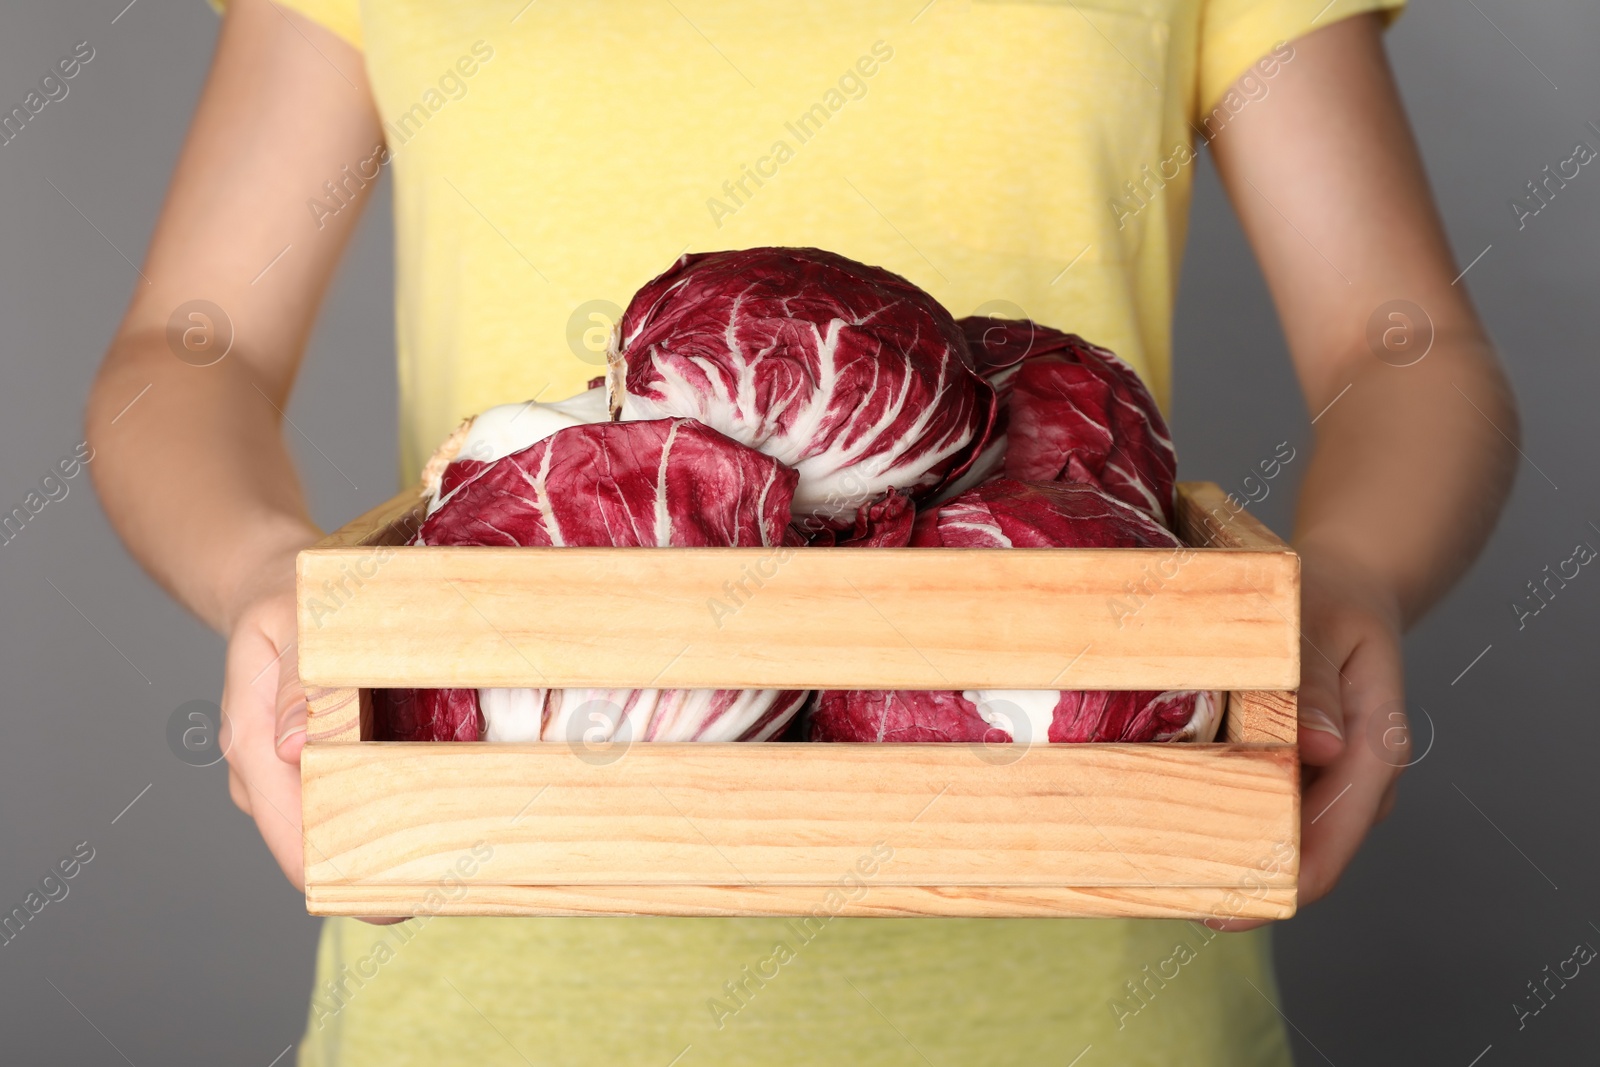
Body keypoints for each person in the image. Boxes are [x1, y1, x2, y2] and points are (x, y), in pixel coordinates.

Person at [86, 0, 1517, 1063]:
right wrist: (266, 574)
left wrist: (1349, 581)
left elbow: (1403, 345)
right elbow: (184, 343)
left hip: (1090, 1000)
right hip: (489, 998)